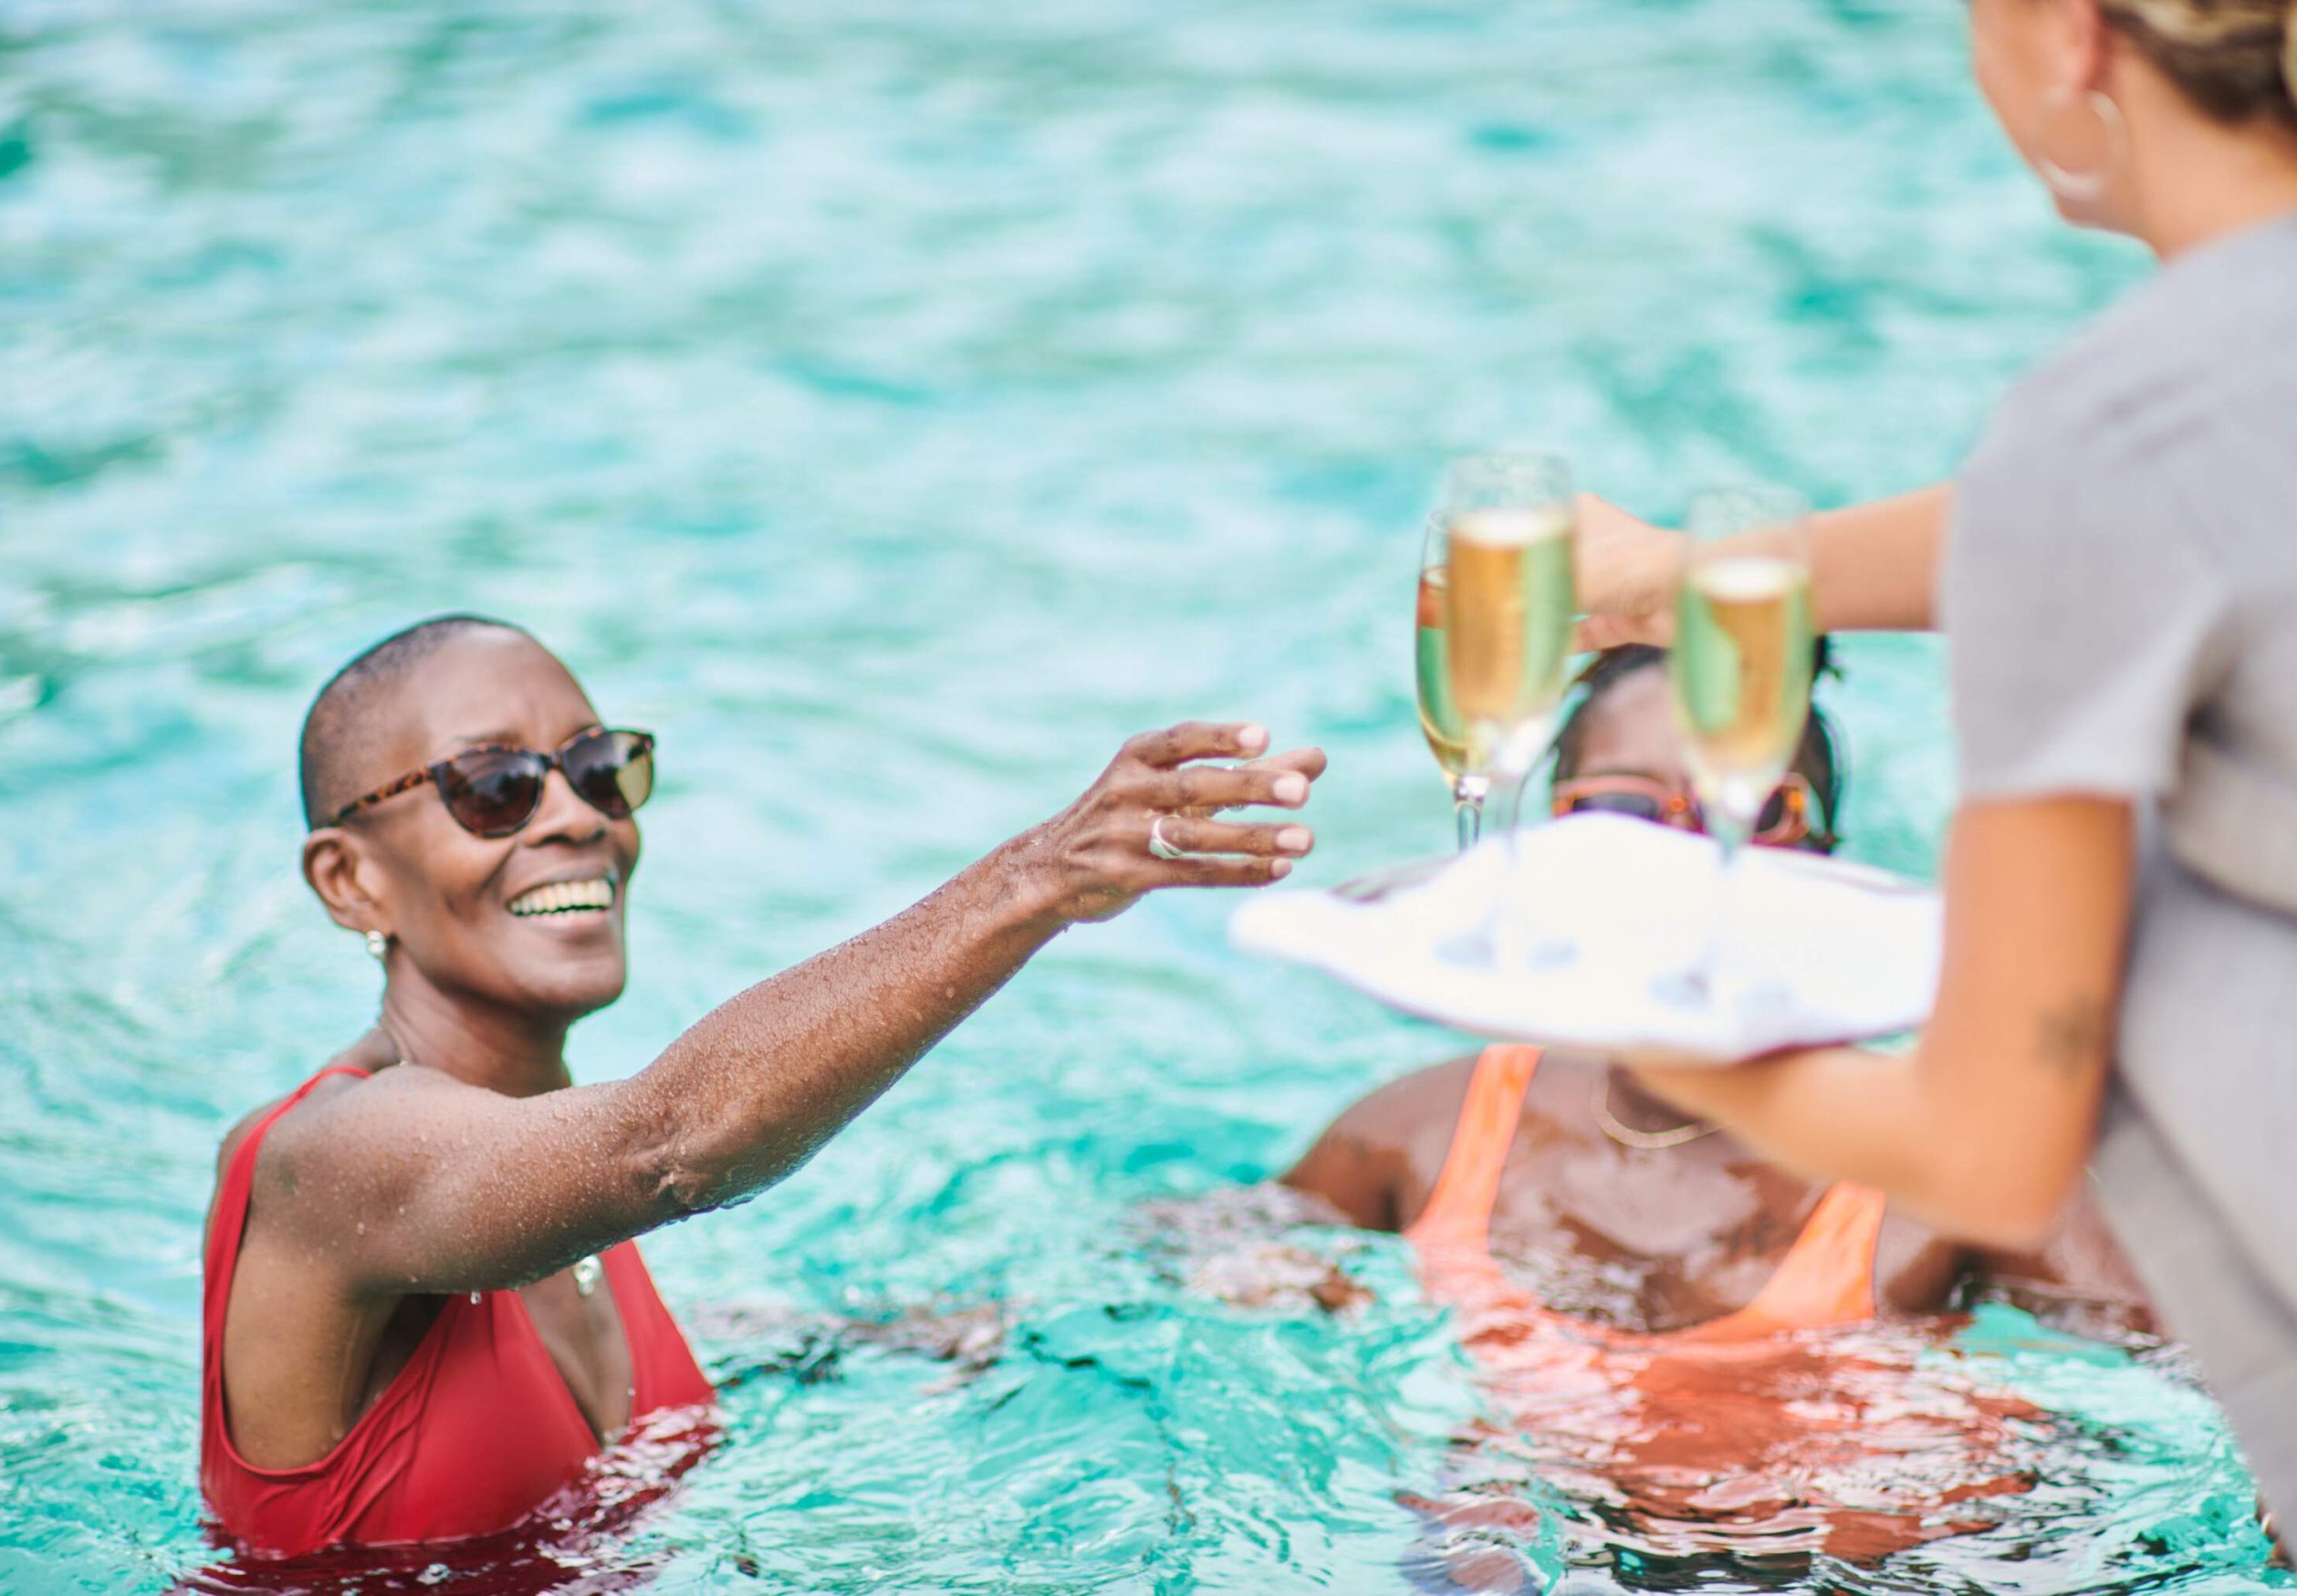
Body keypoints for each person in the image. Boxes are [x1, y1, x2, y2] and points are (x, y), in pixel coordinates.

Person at [1567, 0, 2297, 1534]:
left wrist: (1647, 1012)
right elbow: (2094, 517)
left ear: (2069, 36)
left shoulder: (2111, 427)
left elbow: (1990, 1140)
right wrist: (1693, 575)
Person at [201, 614, 1326, 1558]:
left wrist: (1122, 1288)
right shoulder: (329, 1164)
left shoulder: (542, 1170)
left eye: (599, 768)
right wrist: (1038, 879)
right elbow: (672, 1145)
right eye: (492, 788)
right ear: (349, 881)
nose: (578, 816)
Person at [1280, 646, 2152, 1580]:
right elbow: (1180, 1282)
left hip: (1856, 1558)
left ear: (1826, 858)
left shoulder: (1947, 1168)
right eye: (1623, 810)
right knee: (1479, 1526)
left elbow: (2240, 1372)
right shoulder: (1421, 1136)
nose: (1687, 852)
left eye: (1750, 810)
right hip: (1540, 1546)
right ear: (1546, 848)